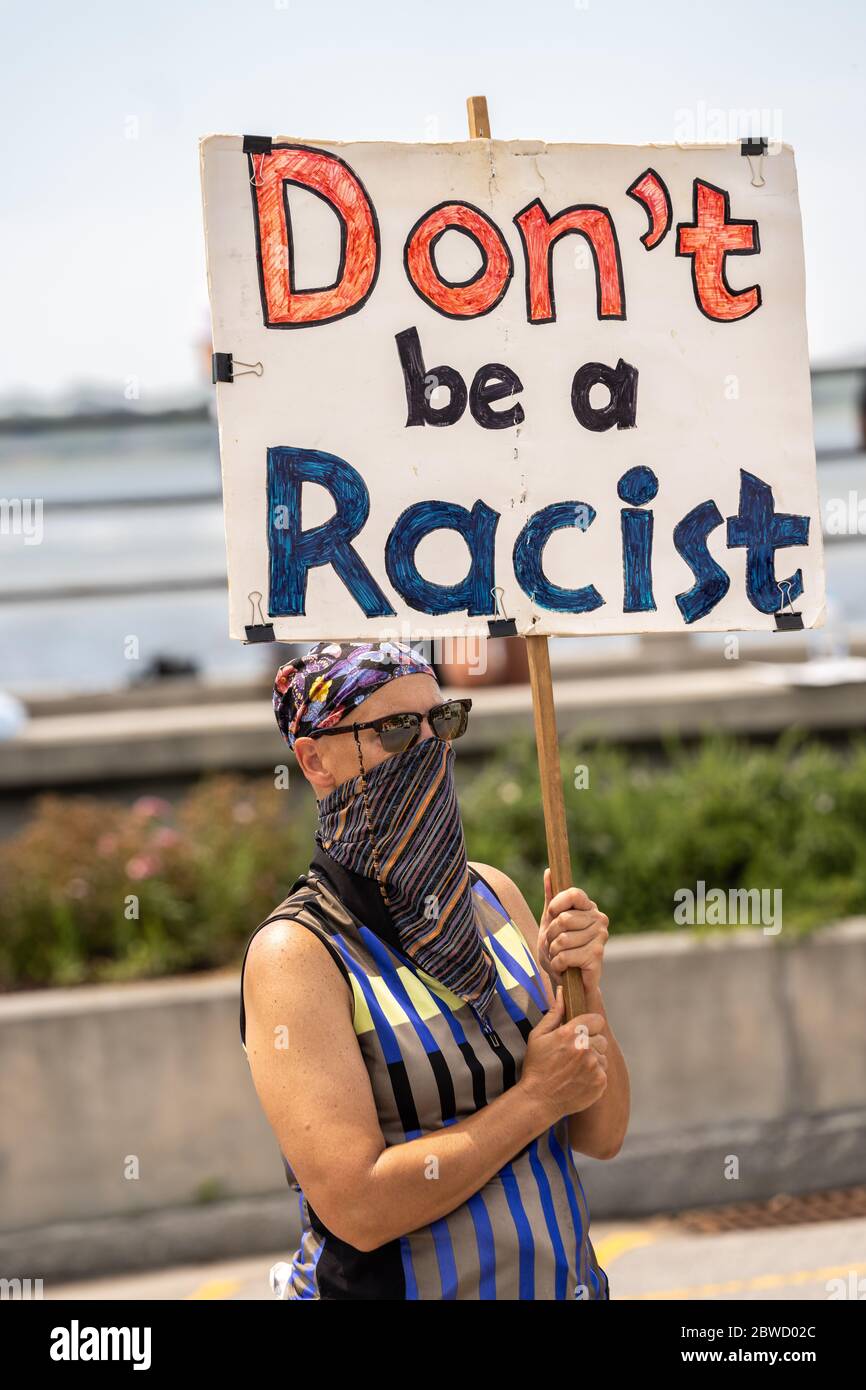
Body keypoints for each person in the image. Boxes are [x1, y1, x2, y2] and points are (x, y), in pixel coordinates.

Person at [240, 640, 630, 1301]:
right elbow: (358, 1207)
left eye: (441, 721)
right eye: (395, 729)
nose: (429, 747)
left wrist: (584, 985)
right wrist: (534, 1100)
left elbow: (602, 1131)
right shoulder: (299, 954)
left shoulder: (494, 897)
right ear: (314, 759)